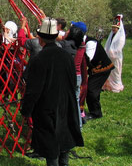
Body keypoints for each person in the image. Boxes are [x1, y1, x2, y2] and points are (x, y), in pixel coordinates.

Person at [21, 17, 83, 166]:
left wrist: (26, 110)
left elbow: (33, 90)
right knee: (64, 142)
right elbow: (73, 82)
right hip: (65, 105)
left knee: (51, 148)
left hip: (46, 108)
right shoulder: (67, 56)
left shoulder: (39, 59)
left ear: (40, 38)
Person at [84, 27, 114, 120]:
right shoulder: (84, 41)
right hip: (96, 68)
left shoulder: (90, 43)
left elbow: (88, 58)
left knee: (91, 90)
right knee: (92, 90)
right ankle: (95, 111)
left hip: (102, 69)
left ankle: (96, 113)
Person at [103, 14, 125, 93]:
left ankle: (116, 86)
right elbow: (108, 45)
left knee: (116, 72)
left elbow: (118, 48)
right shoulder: (111, 35)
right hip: (109, 57)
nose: (113, 29)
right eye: (112, 28)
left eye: (115, 28)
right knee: (109, 72)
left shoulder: (121, 37)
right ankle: (109, 86)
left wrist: (112, 53)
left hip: (116, 58)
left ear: (118, 28)